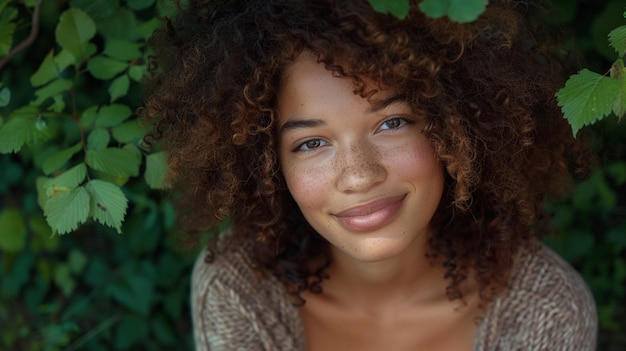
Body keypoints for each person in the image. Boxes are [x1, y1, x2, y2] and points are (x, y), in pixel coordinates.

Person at [142, 0, 598, 349]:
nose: (359, 176)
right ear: (267, 163)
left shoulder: (546, 308)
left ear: (456, 126)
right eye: (311, 143)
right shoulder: (241, 288)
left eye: (391, 123)